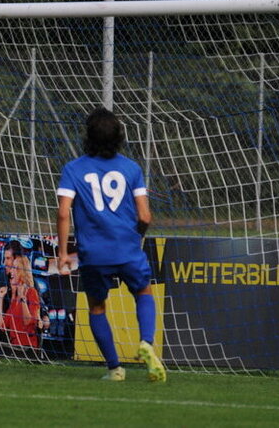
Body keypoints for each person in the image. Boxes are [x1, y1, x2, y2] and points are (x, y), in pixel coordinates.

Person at [56, 108, 166, 382]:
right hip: (127, 248)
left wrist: (62, 253)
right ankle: (146, 343)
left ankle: (115, 369)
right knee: (143, 292)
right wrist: (134, 236)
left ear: (88, 137)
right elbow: (145, 216)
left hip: (93, 254)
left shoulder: (73, 168)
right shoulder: (132, 168)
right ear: (119, 137)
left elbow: (62, 213)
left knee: (96, 308)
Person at [0, 254, 40, 347]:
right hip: (14, 347)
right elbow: (2, 326)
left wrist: (22, 298)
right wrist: (0, 299)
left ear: (22, 271)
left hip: (27, 348)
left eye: (15, 268)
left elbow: (29, 323)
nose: (11, 271)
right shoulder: (15, 300)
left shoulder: (32, 292)